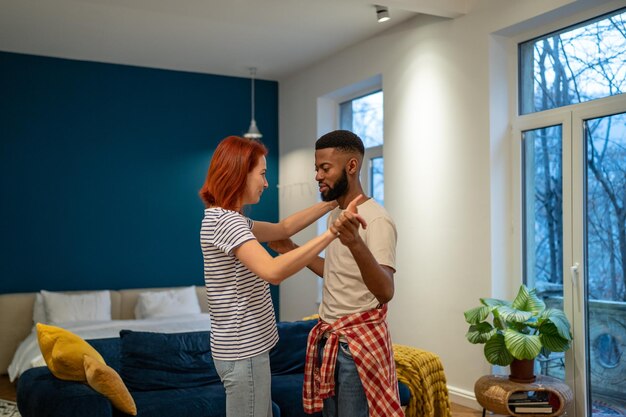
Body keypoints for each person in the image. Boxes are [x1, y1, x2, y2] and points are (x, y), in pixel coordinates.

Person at [198, 135, 365, 417]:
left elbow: (283, 229)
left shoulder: (227, 218)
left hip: (244, 351)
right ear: (240, 174)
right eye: (262, 174)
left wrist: (331, 203)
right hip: (243, 354)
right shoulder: (226, 223)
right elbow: (273, 271)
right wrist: (333, 232)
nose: (265, 183)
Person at [269, 130, 402, 417]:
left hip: (357, 348)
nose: (318, 176)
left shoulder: (377, 219)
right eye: (317, 168)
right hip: (329, 339)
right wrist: (292, 248)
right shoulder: (335, 215)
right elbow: (335, 272)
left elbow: (385, 290)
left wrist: (354, 242)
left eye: (324, 168)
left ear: (351, 166)